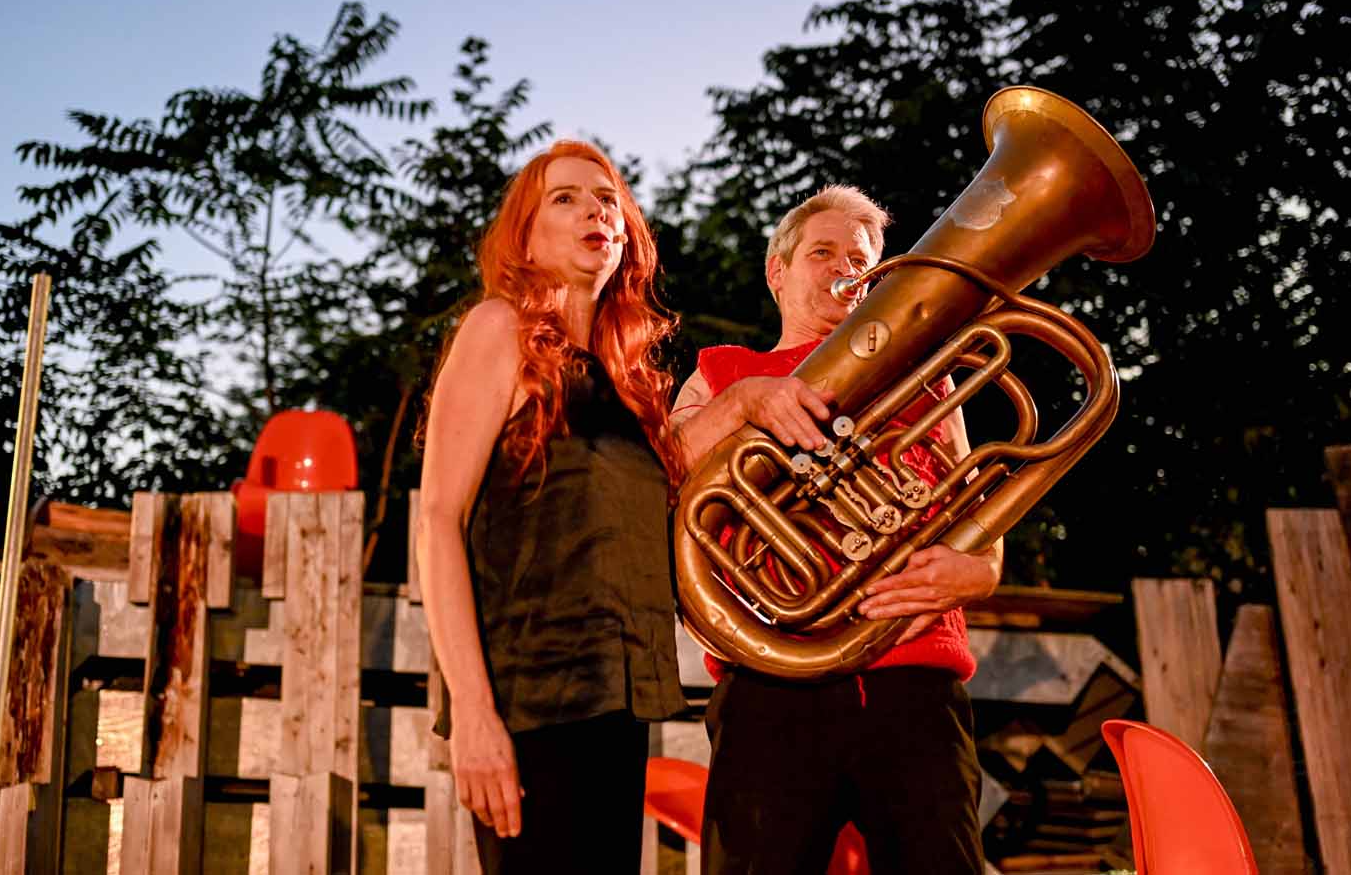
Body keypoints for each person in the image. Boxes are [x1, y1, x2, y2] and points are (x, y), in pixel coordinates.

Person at [672, 185, 1001, 875]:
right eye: (822, 253)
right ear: (778, 271)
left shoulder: (927, 373)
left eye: (860, 258)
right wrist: (743, 402)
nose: (844, 269)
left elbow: (978, 503)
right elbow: (663, 474)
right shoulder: (722, 373)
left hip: (913, 675)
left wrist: (984, 568)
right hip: (771, 678)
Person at [416, 140, 687, 874]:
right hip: (529, 707)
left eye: (607, 199)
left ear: (625, 235)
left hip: (617, 710)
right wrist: (475, 715)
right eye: (564, 198)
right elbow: (437, 520)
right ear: (526, 238)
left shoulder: (628, 385)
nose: (594, 210)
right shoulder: (497, 328)